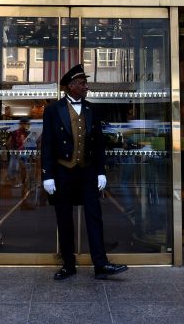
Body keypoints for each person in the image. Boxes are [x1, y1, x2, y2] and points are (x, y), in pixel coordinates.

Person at [41, 64, 128, 280]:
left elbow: (98, 143)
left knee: (94, 216)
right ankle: (69, 264)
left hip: (87, 171)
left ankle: (101, 264)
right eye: (82, 83)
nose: (86, 87)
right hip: (63, 171)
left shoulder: (92, 109)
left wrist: (101, 171)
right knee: (64, 218)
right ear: (70, 86)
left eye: (85, 83)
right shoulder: (53, 110)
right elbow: (48, 144)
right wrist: (47, 175)